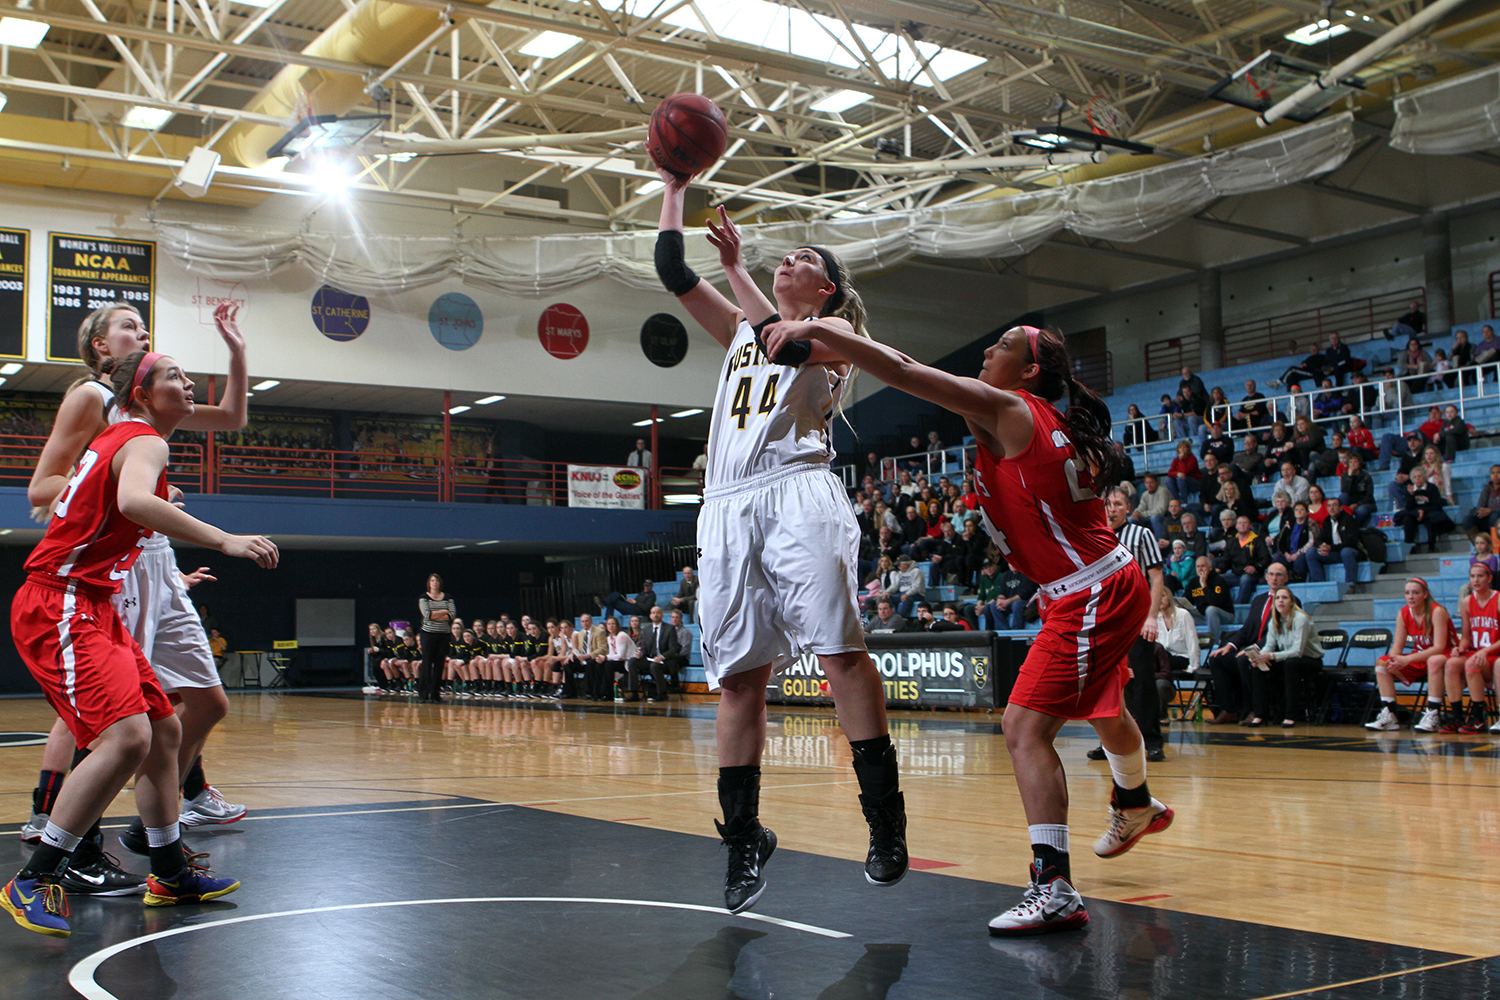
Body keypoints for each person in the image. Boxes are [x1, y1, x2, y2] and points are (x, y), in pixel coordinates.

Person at [765, 317, 1169, 937]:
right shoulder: (1008, 413)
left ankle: (1053, 885)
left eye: (1003, 345)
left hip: (1093, 588)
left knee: (1023, 728)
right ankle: (1135, 801)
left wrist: (819, 327)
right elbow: (905, 363)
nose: (986, 348)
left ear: (1030, 371)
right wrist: (827, 347)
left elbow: (901, 372)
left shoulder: (1010, 407)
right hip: (1093, 585)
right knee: (1101, 703)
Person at [654, 168, 906, 916]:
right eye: (783, 254)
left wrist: (739, 271)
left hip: (797, 493)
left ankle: (884, 824)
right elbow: (671, 269)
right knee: (737, 681)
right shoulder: (741, 328)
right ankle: (742, 841)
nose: (789, 259)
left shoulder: (839, 337)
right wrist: (675, 185)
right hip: (727, 507)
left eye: (806, 259)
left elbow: (785, 346)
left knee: (839, 654)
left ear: (827, 289)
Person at [3, 351, 275, 938]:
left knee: (167, 728)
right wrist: (225, 540)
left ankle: (171, 872)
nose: (187, 383)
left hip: (91, 602)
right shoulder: (145, 439)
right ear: (144, 394)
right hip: (61, 602)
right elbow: (131, 504)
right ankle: (35, 875)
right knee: (127, 736)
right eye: (173, 376)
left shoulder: (128, 438)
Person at [1203, 562, 1290, 724]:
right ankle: (1229, 710)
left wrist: (1254, 649)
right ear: (1266, 577)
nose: (1274, 578)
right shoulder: (1259, 600)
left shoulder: (1290, 601)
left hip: (1273, 653)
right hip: (1251, 650)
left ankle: (1254, 711)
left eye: (1279, 575)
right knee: (1217, 659)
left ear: (1286, 578)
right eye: (1271, 574)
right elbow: (1246, 629)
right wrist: (1229, 646)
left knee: (1245, 660)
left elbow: (1281, 633)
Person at [1366, 578, 1451, 732]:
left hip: (1444, 656)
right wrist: (1393, 660)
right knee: (1382, 663)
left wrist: (1407, 659)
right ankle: (1390, 714)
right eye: (1407, 593)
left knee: (1433, 660)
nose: (1411, 596)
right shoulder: (1404, 613)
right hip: (1419, 657)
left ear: (1425, 595)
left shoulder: (1437, 611)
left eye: (1415, 593)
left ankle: (1433, 714)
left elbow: (1439, 647)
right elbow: (1397, 647)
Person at [1245, 589, 1324, 728]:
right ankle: (1259, 714)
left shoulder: (1301, 619)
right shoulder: (1275, 621)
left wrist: (1271, 656)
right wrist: (1259, 657)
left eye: (1285, 598)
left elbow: (1297, 652)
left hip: (1310, 661)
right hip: (1288, 659)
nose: (1280, 600)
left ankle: (1290, 715)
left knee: (1290, 664)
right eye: (1278, 598)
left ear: (1292, 602)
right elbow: (1269, 645)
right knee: (1258, 667)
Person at [1438, 563, 1500, 735]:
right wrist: (1460, 648)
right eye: (1472, 576)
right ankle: (1458, 719)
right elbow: (1466, 636)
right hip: (1477, 652)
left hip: (1494, 653)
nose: (1476, 580)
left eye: (1480, 576)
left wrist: (1485, 651)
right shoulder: (1466, 602)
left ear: (1489, 578)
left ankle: (1479, 719)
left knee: (1471, 664)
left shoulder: (1498, 599)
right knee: (1451, 664)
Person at [1151, 588, 1201, 720]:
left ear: (1170, 597)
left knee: (1154, 666)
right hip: (1164, 658)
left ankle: (1159, 709)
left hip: (1181, 657)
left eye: (1163, 596)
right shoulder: (1156, 618)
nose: (1160, 599)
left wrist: (1193, 666)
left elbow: (1192, 640)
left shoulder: (1183, 615)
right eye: (1157, 596)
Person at [1305, 497, 1364, 586]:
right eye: (1329, 506)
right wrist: (1322, 546)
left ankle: (1351, 584)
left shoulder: (1349, 520)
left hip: (1351, 552)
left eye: (1334, 505)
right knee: (1311, 552)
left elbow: (1351, 542)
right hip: (1334, 553)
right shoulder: (1327, 521)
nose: (1331, 508)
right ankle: (1318, 584)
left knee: (1346, 552)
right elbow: (1319, 539)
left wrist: (1331, 548)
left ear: (1341, 508)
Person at [630, 605, 680, 702]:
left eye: (657, 613)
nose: (655, 615)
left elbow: (673, 649)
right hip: (650, 659)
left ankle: (662, 693)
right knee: (632, 662)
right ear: (650, 616)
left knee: (654, 666)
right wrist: (640, 653)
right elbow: (644, 648)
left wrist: (661, 657)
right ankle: (634, 693)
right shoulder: (647, 629)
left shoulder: (669, 629)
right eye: (653, 613)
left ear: (662, 615)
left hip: (665, 661)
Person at [1401, 467, 1454, 554]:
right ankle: (1410, 545)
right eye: (1415, 477)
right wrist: (1411, 495)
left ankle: (1431, 546)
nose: (1417, 479)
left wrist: (1423, 511)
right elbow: (1409, 508)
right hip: (1415, 513)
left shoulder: (1432, 488)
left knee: (1432, 519)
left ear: (1425, 477)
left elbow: (1436, 505)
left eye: (1420, 476)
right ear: (1412, 480)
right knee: (1407, 519)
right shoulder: (1410, 490)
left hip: (1429, 512)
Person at [1185, 555, 1235, 644]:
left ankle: (1214, 643)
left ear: (1210, 568)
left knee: (1211, 610)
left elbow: (1215, 602)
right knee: (1182, 612)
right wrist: (1180, 605)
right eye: (1198, 566)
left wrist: (1204, 585)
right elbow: (1187, 600)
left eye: (1203, 566)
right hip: (1203, 615)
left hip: (1224, 615)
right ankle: (1186, 643)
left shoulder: (1219, 580)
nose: (1200, 569)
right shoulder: (1193, 582)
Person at [1221, 515, 1271, 604]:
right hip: (1236, 574)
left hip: (1252, 574)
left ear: (1250, 526)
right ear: (1236, 526)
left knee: (1245, 579)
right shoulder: (1232, 542)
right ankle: (1224, 604)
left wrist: (1256, 567)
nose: (1242, 525)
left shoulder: (1257, 540)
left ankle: (1239, 606)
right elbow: (1226, 559)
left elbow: (1266, 559)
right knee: (1219, 579)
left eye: (1245, 523)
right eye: (1240, 523)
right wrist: (1219, 569)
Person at [1463, 465, 1500, 541]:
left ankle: (1495, 545)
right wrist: (1482, 511)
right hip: (1486, 519)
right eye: (1493, 473)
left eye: (1498, 472)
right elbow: (1480, 506)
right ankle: (1480, 545)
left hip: (1497, 520)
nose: (1495, 475)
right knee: (1468, 520)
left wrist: (1490, 510)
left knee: (1494, 516)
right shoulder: (1487, 488)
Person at [1339, 453, 1376, 528]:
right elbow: (1344, 491)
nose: (1353, 464)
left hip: (1365, 502)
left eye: (1355, 462)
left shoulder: (1366, 476)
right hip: (1351, 500)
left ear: (1359, 463)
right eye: (1351, 462)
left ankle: (1355, 528)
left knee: (1360, 510)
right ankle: (1343, 524)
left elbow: (1369, 496)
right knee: (1342, 497)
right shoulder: (1345, 476)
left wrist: (1357, 504)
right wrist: (1350, 477)